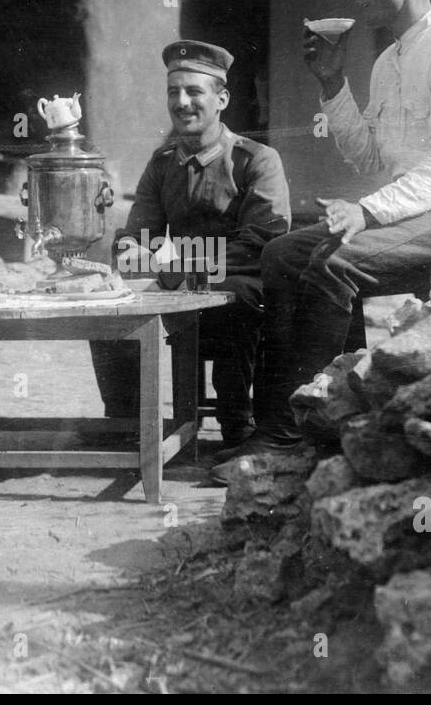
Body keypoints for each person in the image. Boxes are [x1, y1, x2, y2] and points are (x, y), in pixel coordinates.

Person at [215, 0, 431, 473]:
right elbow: (374, 159)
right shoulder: (388, 60)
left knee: (336, 262)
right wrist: (332, 83)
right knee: (283, 254)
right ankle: (284, 426)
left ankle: (300, 435)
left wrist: (367, 210)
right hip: (425, 205)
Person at [90, 40, 291, 450]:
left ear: (221, 99)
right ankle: (127, 425)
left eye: (194, 92)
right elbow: (137, 234)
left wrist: (180, 260)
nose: (182, 102)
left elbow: (262, 243)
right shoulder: (162, 164)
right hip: (178, 289)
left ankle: (238, 429)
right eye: (173, 92)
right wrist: (132, 253)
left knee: (233, 296)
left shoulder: (256, 160)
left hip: (243, 287)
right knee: (105, 301)